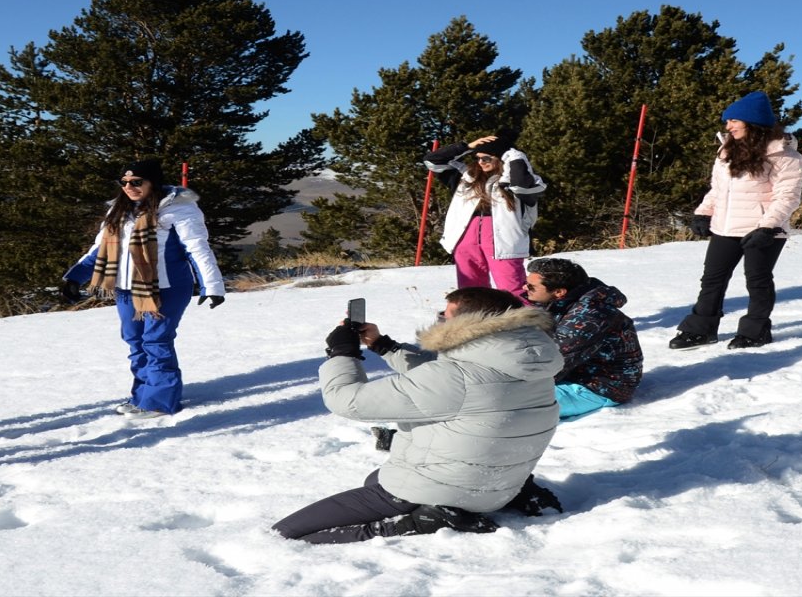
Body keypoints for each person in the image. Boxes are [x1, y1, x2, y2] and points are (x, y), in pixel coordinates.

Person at [272, 287, 564, 544]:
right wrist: (382, 345)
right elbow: (449, 378)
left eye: (445, 316)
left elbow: (347, 401)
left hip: (447, 489)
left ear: (467, 324)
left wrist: (341, 354)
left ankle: (421, 522)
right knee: (375, 478)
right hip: (499, 486)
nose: (440, 321)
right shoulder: (526, 359)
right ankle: (488, 500)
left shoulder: (455, 378)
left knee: (285, 533)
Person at [62, 160, 226, 419]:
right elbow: (99, 248)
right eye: (124, 182)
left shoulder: (179, 210)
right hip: (127, 288)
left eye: (137, 182)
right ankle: (143, 394)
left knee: (156, 341)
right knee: (135, 342)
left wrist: (212, 285)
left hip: (166, 288)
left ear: (153, 183)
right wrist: (75, 277)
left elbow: (197, 248)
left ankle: (159, 402)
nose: (129, 187)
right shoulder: (119, 210)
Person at [669, 91, 802, 350]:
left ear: (753, 123)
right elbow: (718, 189)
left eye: (734, 120)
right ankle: (701, 329)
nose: (728, 126)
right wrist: (703, 212)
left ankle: (755, 330)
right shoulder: (726, 150)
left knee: (757, 280)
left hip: (763, 229)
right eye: (727, 121)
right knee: (712, 279)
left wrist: (768, 226)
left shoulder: (785, 156)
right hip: (725, 226)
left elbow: (787, 196)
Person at [423, 130, 546, 302]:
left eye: (486, 158)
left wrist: (513, 154)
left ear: (501, 157)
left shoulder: (517, 179)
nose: (481, 162)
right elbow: (432, 160)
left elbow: (524, 187)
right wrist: (467, 146)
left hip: (504, 241)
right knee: (470, 291)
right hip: (465, 238)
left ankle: (525, 325)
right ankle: (476, 324)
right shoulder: (466, 177)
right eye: (478, 158)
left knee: (512, 289)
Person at [524, 258, 643, 421]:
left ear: (559, 292)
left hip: (600, 387)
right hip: (574, 372)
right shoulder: (559, 302)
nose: (525, 288)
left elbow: (554, 362)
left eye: (531, 286)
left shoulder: (588, 318)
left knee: (506, 404)